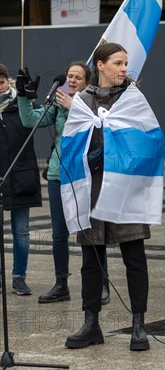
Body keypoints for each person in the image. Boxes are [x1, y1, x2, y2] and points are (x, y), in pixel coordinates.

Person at [64, 42, 162, 351]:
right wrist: (90, 153)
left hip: (126, 190)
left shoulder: (133, 99)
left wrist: (112, 150)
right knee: (91, 260)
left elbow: (150, 141)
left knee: (135, 257)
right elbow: (71, 141)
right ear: (101, 65)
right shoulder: (82, 101)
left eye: (125, 63)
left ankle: (138, 325)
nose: (123, 69)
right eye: (117, 63)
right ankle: (91, 323)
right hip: (91, 190)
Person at [17, 62, 111, 305]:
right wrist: (24, 97)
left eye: (77, 77)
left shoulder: (94, 104)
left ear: (87, 82)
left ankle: (101, 283)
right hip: (59, 175)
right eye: (69, 76)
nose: (71, 80)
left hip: (84, 175)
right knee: (59, 234)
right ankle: (61, 284)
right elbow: (29, 121)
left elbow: (99, 127)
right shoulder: (58, 106)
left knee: (91, 231)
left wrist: (75, 107)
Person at [0, 63, 42, 296]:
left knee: (22, 231)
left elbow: (36, 120)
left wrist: (28, 96)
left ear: (8, 81)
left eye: (2, 81)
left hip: (21, 176)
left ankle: (19, 277)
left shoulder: (23, 104)